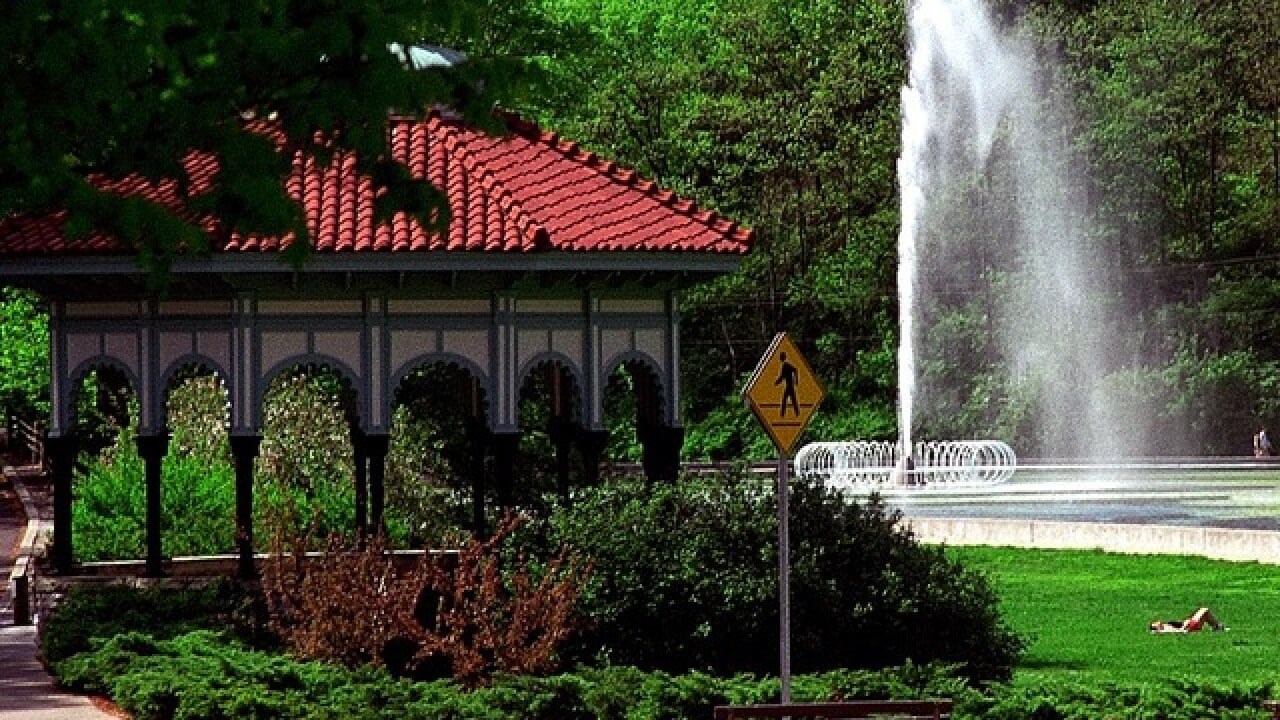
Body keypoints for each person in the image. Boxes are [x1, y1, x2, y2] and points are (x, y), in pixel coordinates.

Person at [1148, 607, 1225, 633]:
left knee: (1205, 612)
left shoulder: (1165, 626)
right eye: (1155, 624)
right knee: (1204, 610)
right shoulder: (1164, 629)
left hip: (1189, 624)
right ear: (1157, 628)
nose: (1157, 622)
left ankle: (1216, 627)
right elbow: (1178, 631)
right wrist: (1185, 628)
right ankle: (1216, 627)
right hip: (1190, 626)